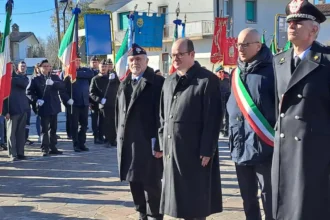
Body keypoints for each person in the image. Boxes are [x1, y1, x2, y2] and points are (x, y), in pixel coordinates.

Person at [272, 1, 330, 220]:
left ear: (313, 29)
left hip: (313, 154)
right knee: (285, 208)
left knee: (310, 209)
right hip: (284, 150)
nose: (292, 26)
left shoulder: (326, 61)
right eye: (289, 22)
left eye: (298, 22)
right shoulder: (279, 62)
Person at [159, 38, 222, 220]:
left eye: (180, 54)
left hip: (195, 152)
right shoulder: (169, 81)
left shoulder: (206, 80)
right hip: (173, 149)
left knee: (194, 203)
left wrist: (207, 149)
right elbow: (163, 114)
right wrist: (163, 140)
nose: (176, 58)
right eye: (173, 55)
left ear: (192, 55)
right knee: (178, 202)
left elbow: (213, 118)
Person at [226, 28, 275, 220]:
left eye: (245, 44)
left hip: (265, 149)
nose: (240, 48)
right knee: (248, 199)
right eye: (238, 44)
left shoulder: (272, 73)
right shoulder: (235, 73)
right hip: (240, 146)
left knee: (269, 198)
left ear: (258, 46)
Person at [116, 44, 164, 220]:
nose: (135, 62)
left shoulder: (158, 83)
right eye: (132, 60)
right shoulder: (124, 83)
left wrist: (160, 143)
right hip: (128, 143)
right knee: (133, 181)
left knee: (151, 184)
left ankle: (154, 216)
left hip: (148, 143)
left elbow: (162, 116)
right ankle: (141, 213)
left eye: (139, 59)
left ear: (147, 61)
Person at [27, 59, 64, 156]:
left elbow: (62, 85)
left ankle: (53, 147)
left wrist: (53, 83)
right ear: (40, 68)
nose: (47, 68)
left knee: (53, 128)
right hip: (43, 107)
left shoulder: (54, 77)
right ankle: (44, 148)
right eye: (45, 66)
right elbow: (29, 92)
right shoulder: (35, 79)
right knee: (44, 130)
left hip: (54, 106)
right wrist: (36, 100)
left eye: (48, 66)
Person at [60, 56, 94, 152]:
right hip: (74, 103)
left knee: (84, 125)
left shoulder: (85, 70)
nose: (78, 62)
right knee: (74, 125)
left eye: (79, 60)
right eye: (76, 61)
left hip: (84, 102)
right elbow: (62, 90)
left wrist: (74, 74)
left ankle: (82, 143)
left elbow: (90, 74)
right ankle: (76, 144)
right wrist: (67, 100)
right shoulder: (66, 73)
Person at [3, 62, 30, 161]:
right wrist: (5, 111)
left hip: (22, 109)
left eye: (12, 67)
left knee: (21, 134)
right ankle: (12, 154)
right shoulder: (3, 80)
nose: (11, 69)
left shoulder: (20, 77)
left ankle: (20, 153)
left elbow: (24, 83)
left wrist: (10, 79)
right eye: (9, 68)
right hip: (11, 111)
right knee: (11, 134)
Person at [90, 60, 119, 148]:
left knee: (114, 122)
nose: (104, 68)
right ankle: (107, 140)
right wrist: (99, 99)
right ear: (99, 68)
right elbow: (91, 93)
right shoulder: (95, 79)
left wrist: (116, 78)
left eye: (105, 67)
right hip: (103, 104)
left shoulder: (112, 77)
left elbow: (120, 85)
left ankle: (113, 140)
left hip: (113, 103)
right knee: (105, 123)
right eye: (102, 67)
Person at [89, 56, 103, 144]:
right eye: (93, 62)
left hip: (102, 99)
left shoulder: (101, 72)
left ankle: (101, 135)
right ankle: (96, 136)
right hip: (93, 99)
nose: (95, 63)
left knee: (102, 119)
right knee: (95, 119)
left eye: (96, 62)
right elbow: (87, 89)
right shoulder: (87, 72)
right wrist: (89, 101)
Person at [215, 65, 230, 137]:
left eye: (222, 71)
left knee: (226, 114)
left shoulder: (227, 76)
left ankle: (225, 129)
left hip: (226, 96)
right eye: (219, 72)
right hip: (221, 97)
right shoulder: (215, 78)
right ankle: (221, 129)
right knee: (221, 114)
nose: (221, 73)